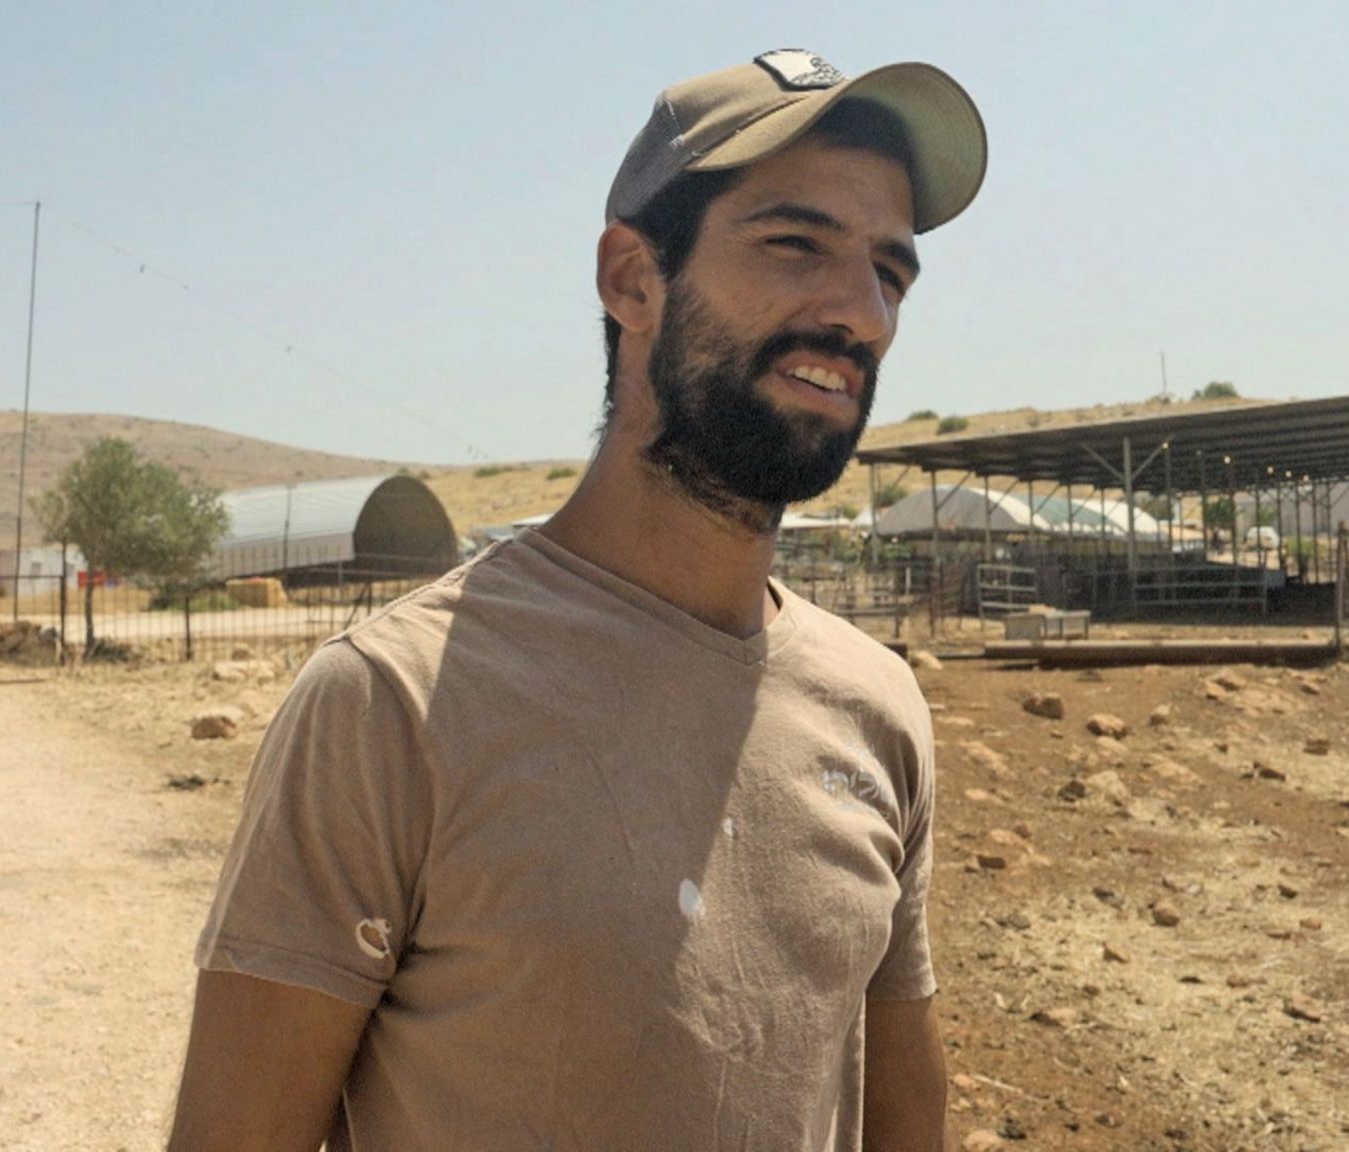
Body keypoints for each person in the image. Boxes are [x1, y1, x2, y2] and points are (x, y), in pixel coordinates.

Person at [169, 49, 987, 1152]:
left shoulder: (875, 706)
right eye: (796, 243)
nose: (860, 313)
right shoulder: (391, 704)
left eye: (889, 271)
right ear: (631, 280)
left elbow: (901, 1119)